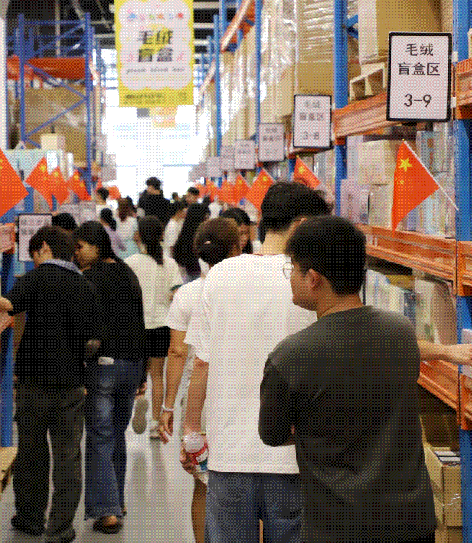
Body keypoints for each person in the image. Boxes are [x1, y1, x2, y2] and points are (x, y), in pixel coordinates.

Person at [258, 216, 435, 543]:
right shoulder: (400, 332)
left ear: (313, 278)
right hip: (411, 522)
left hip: (338, 525)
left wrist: (313, 428)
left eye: (292, 269)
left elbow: (272, 434)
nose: (290, 278)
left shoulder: (291, 356)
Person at [181, 181, 330, 543]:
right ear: (301, 225)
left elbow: (202, 364)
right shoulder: (313, 281)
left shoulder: (220, 275)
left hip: (229, 453)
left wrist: (191, 431)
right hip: (294, 458)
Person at [0, 226, 96, 543]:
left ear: (44, 249)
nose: (34, 260)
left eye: (34, 254)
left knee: (31, 454)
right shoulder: (84, 285)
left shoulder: (36, 278)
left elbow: (8, 303)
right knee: (68, 458)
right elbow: (93, 339)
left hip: (33, 383)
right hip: (70, 384)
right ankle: (60, 528)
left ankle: (30, 519)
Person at [160, 217, 242, 543]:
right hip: (242, 395)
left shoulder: (188, 294)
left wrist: (168, 406)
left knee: (203, 483)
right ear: (237, 248)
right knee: (246, 482)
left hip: (200, 398)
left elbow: (177, 352)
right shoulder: (247, 291)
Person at [73, 222, 147, 535]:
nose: (77, 253)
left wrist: (78, 369)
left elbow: (83, 328)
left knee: (100, 436)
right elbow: (140, 321)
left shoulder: (88, 279)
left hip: (103, 365)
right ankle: (117, 499)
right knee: (116, 434)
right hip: (131, 365)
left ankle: (107, 511)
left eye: (80, 247)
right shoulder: (128, 273)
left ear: (96, 245)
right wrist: (143, 370)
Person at [126, 215, 183, 438]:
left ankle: (140, 398)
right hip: (161, 324)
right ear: (161, 236)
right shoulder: (169, 264)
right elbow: (176, 294)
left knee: (138, 372)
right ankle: (155, 422)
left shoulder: (131, 263)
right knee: (157, 375)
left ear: (138, 236)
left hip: (137, 325)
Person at [171, 203, 211, 283]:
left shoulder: (185, 233)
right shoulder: (201, 235)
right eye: (206, 217)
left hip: (188, 272)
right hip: (200, 274)